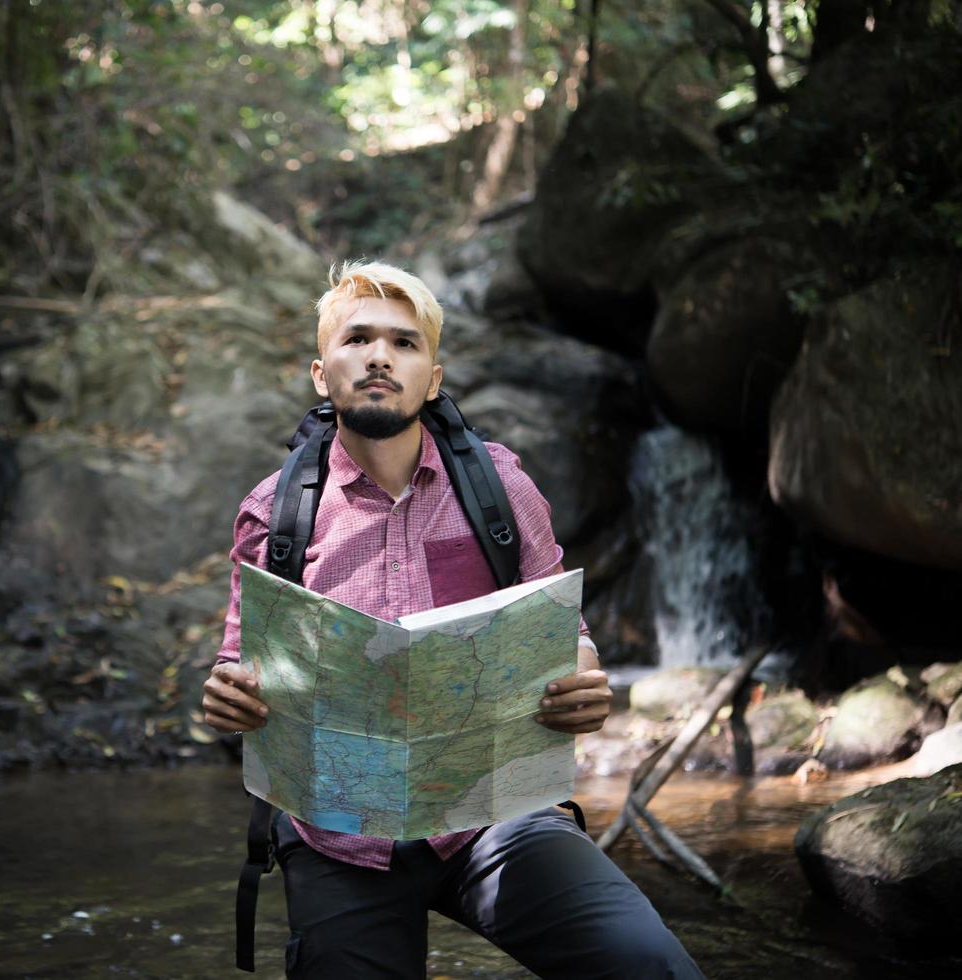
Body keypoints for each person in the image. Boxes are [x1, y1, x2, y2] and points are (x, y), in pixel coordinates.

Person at [201, 261, 703, 979]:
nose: (380, 356)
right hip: (338, 836)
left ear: (432, 380)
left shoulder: (499, 486)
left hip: (497, 814)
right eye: (358, 339)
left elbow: (566, 636)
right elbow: (236, 661)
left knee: (647, 963)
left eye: (405, 344)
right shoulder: (275, 512)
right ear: (321, 373)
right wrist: (229, 693)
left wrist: (583, 683)